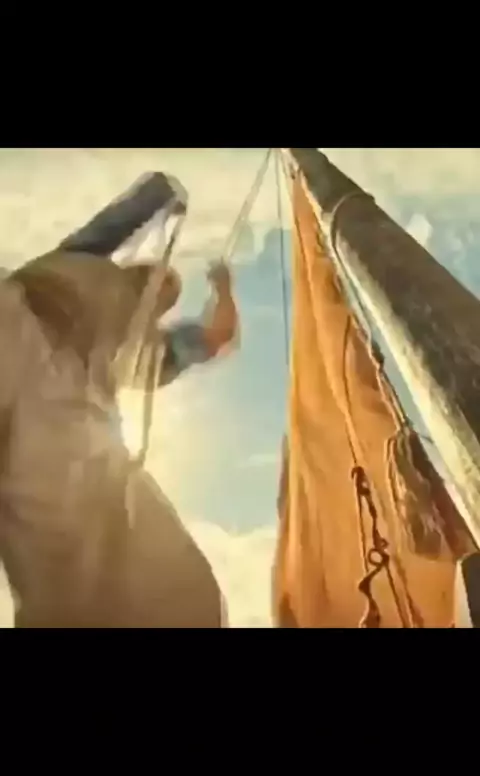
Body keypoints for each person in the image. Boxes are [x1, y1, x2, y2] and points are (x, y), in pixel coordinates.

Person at [0, 183, 238, 628]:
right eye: (158, 281)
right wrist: (161, 195)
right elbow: (115, 223)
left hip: (53, 433)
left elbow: (215, 337)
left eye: (165, 291)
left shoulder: (136, 349)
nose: (159, 288)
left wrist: (223, 289)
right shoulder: (75, 268)